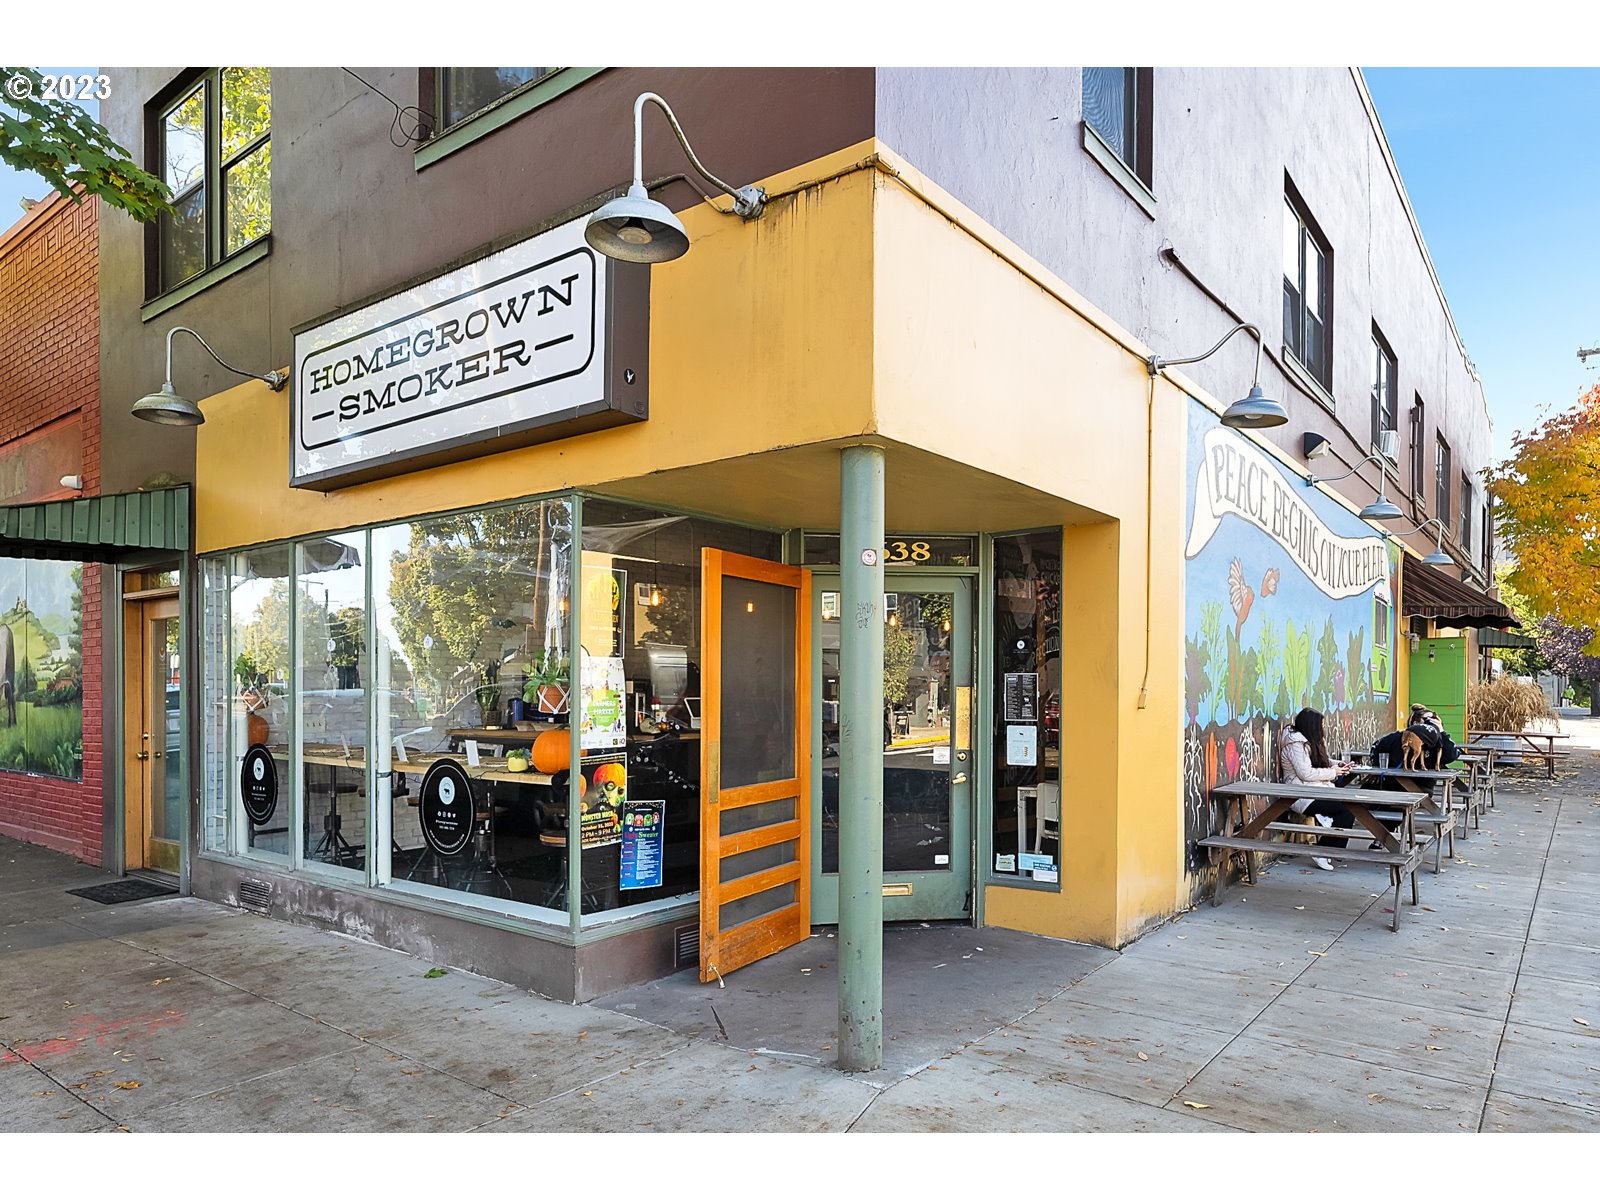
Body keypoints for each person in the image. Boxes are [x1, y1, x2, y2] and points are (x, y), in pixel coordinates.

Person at [1278, 707, 1356, 871]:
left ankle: (1332, 849)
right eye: (1320, 725)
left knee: (1350, 805)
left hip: (1315, 790)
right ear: (1311, 726)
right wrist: (1333, 772)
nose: (1322, 729)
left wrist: (1337, 765)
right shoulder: (1295, 744)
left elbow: (1319, 761)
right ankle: (1323, 850)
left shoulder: (1306, 741)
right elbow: (1305, 773)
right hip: (1300, 795)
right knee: (1345, 809)